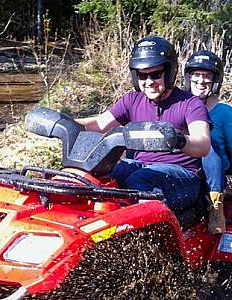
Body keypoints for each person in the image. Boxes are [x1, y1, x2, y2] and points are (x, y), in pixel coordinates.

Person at [76, 36, 211, 211]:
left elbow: (203, 145)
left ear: (169, 73)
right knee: (101, 172)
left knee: (139, 180)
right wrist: (66, 123)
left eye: (156, 75)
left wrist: (177, 138)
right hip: (142, 167)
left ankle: (145, 236)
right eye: (142, 75)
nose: (149, 82)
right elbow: (99, 124)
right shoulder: (132, 100)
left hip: (183, 176)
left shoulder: (191, 103)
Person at [184, 50, 232, 234]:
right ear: (188, 78)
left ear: (215, 81)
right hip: (184, 164)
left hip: (214, 165)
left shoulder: (225, 112)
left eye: (206, 76)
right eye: (196, 75)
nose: (201, 81)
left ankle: (215, 207)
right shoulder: (180, 106)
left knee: (207, 146)